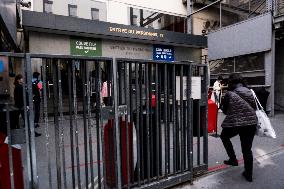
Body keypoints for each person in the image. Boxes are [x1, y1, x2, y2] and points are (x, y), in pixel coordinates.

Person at [220, 73, 257, 182]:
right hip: (251, 123)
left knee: (224, 136)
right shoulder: (250, 91)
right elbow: (256, 106)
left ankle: (233, 159)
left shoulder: (229, 94)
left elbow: (225, 111)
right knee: (247, 149)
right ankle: (248, 175)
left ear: (231, 82)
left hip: (236, 123)